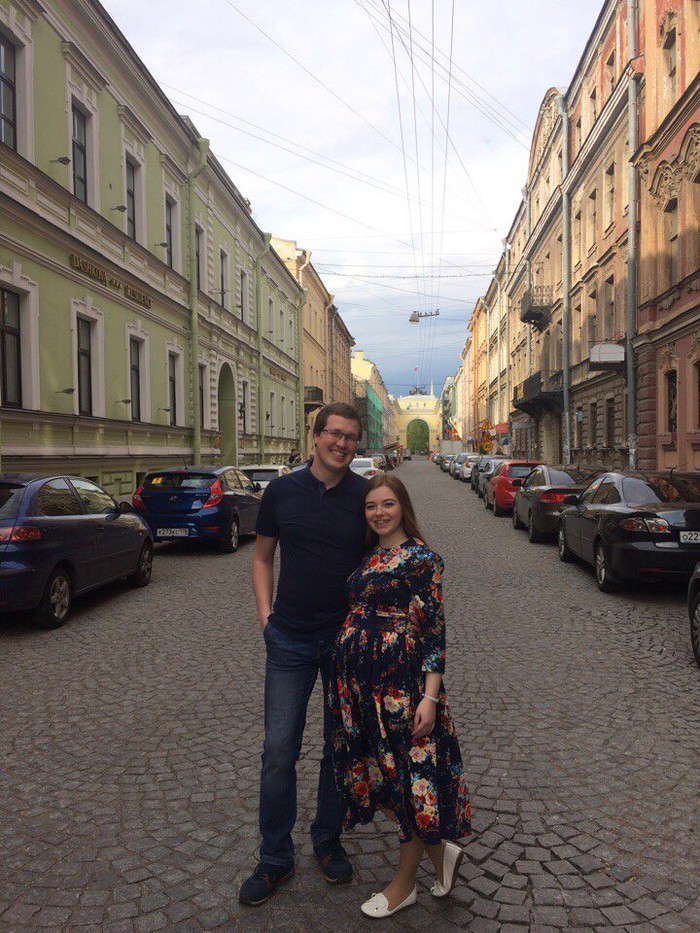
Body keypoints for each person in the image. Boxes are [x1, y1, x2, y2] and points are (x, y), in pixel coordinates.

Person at [239, 402, 367, 907]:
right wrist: (266, 619)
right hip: (289, 638)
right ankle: (275, 856)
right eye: (334, 433)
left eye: (350, 437)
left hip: (344, 641)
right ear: (315, 436)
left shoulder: (364, 496)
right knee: (278, 751)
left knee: (339, 746)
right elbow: (261, 557)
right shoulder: (281, 491)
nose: (342, 443)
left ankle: (327, 838)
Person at [329, 473, 471, 919]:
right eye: (371, 506)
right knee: (388, 781)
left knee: (409, 783)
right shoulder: (370, 556)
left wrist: (430, 697)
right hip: (361, 691)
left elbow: (434, 633)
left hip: (401, 690)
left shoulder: (422, 560)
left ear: (403, 507)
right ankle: (440, 854)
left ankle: (404, 885)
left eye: (387, 504)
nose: (379, 513)